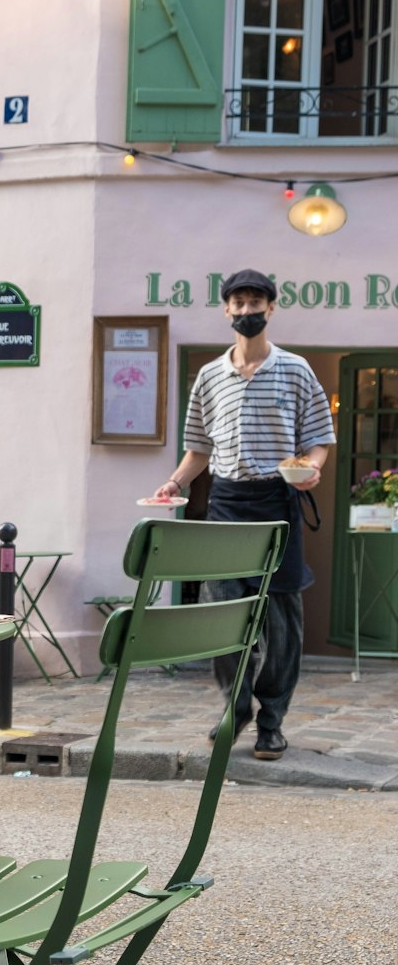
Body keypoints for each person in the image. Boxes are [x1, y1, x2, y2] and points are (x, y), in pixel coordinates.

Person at [153, 268, 335, 762]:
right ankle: (236, 707)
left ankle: (272, 720)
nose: (248, 310)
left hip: (279, 502)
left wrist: (311, 468)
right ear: (227, 310)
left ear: (270, 309)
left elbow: (319, 438)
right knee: (222, 617)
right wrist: (175, 483)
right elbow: (198, 449)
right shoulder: (210, 376)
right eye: (239, 302)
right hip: (226, 504)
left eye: (257, 302)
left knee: (281, 620)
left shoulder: (296, 369)